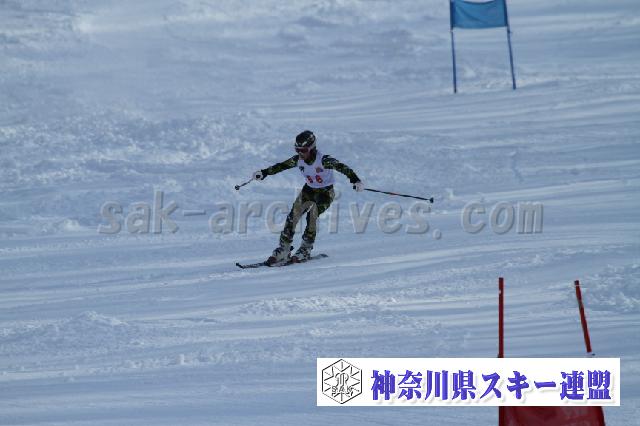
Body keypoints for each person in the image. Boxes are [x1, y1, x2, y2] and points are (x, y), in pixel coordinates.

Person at [253, 130, 364, 264]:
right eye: (297, 150)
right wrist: (264, 172)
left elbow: (342, 167)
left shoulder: (324, 160)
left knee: (312, 215)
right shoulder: (298, 160)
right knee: (292, 216)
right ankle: (284, 249)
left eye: (304, 150)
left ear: (312, 148)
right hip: (308, 190)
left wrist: (355, 180)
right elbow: (281, 166)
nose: (300, 153)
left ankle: (305, 249)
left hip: (325, 194)